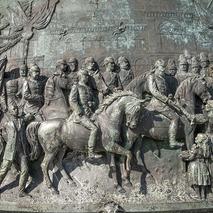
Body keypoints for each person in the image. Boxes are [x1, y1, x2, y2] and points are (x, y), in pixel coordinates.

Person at [147, 59, 183, 148]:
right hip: (157, 103)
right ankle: (172, 141)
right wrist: (166, 100)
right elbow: (154, 91)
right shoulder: (152, 76)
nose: (163, 69)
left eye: (164, 67)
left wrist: (169, 95)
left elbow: (165, 91)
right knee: (175, 118)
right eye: (162, 67)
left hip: (165, 101)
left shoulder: (163, 77)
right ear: (156, 67)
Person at [69, 69, 102, 159]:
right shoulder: (76, 86)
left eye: (87, 76)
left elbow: (95, 100)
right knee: (94, 129)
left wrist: (93, 103)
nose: (86, 77)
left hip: (90, 113)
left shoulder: (88, 88)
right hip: (80, 114)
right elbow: (72, 100)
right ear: (80, 77)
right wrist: (79, 111)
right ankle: (91, 152)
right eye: (84, 76)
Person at [0, 103, 30, 197]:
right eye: (14, 109)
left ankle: (21, 191)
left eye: (17, 108)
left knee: (25, 169)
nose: (16, 110)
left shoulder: (22, 121)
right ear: (10, 112)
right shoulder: (6, 124)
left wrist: (32, 114)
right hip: (10, 151)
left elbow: (29, 117)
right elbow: (4, 134)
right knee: (3, 170)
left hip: (22, 150)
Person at [180, 133, 212, 200]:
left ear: (200, 140)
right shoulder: (206, 149)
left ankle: (198, 195)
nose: (195, 138)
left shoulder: (196, 148)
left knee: (195, 181)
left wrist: (184, 158)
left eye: (197, 137)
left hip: (195, 165)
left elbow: (191, 157)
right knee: (202, 181)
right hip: (203, 165)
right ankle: (203, 196)